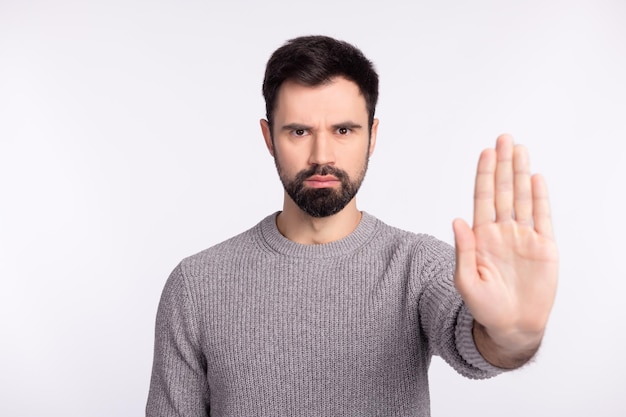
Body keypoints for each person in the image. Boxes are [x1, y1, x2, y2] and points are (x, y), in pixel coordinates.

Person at [146, 35, 559, 416]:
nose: (321, 154)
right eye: (299, 131)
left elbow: (476, 341)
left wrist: (514, 334)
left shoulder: (417, 266)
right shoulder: (195, 285)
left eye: (343, 130)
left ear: (372, 136)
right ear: (269, 137)